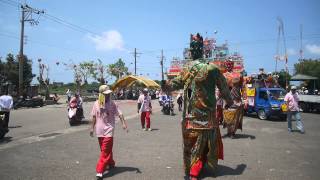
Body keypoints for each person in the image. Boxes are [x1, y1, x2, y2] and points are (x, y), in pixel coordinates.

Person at [171, 60, 233, 179]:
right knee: (205, 143)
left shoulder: (188, 67)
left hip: (190, 116)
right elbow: (224, 88)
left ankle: (193, 169)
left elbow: (174, 84)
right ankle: (196, 168)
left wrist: (163, 84)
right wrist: (229, 102)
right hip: (207, 117)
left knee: (191, 144)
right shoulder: (213, 69)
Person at [90, 85, 128, 180]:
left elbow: (120, 114)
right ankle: (111, 163)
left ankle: (99, 171)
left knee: (105, 151)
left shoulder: (112, 103)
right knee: (105, 150)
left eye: (109, 94)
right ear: (101, 94)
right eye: (105, 94)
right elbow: (94, 116)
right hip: (99, 130)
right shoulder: (96, 104)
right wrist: (92, 128)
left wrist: (124, 124)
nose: (108, 95)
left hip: (109, 130)